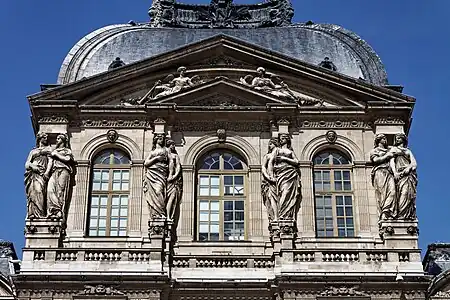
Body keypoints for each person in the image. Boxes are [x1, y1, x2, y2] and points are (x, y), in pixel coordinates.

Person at [273, 133, 302, 220]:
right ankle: (281, 214)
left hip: (290, 172)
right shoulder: (277, 150)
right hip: (281, 173)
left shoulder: (290, 152)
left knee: (288, 192)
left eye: (283, 138)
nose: (281, 140)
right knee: (283, 192)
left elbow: (296, 162)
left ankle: (286, 214)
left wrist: (285, 159)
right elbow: (271, 161)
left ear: (287, 140)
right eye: (280, 139)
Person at [369, 134, 398, 222]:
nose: (385, 140)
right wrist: (387, 156)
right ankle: (384, 214)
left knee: (392, 192)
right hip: (380, 172)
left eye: (385, 138)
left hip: (389, 173)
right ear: (378, 140)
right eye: (383, 138)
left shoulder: (389, 150)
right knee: (382, 193)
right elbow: (375, 160)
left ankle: (388, 212)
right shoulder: (375, 151)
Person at [24, 132, 53, 219]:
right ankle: (33, 214)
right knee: (33, 193)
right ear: (40, 139)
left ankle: (40, 213)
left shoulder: (49, 149)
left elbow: (50, 161)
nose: (46, 139)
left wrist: (47, 172)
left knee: (40, 191)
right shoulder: (33, 151)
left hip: (42, 174)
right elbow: (27, 163)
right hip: (33, 173)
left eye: (46, 138)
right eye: (44, 137)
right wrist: (33, 167)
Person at [389, 133, 418, 220]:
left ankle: (405, 215)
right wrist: (395, 173)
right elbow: (392, 162)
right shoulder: (393, 149)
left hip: (408, 175)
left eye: (399, 138)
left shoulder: (408, 151)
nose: (397, 140)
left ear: (403, 139)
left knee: (407, 195)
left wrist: (408, 169)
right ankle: (401, 215)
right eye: (396, 138)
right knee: (402, 194)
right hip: (399, 175)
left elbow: (414, 163)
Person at [46, 134, 74, 221]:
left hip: (63, 170)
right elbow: (50, 162)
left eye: (58, 139)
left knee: (60, 191)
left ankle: (59, 212)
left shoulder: (66, 150)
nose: (57, 140)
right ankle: (52, 210)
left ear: (63, 140)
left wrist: (56, 154)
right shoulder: (54, 151)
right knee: (50, 190)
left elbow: (67, 159)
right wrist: (47, 172)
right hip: (54, 172)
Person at [143, 133, 170, 218]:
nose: (161, 140)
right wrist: (156, 158)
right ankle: (156, 213)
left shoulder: (166, 150)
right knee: (155, 192)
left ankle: (161, 212)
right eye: (160, 138)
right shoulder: (152, 152)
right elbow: (146, 163)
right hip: (152, 173)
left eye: (162, 139)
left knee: (159, 191)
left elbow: (172, 161)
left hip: (162, 173)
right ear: (156, 140)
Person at [261, 137, 278, 222]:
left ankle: (279, 217)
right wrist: (268, 177)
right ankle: (275, 217)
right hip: (271, 181)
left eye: (270, 144)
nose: (269, 146)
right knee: (272, 198)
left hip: (280, 179)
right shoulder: (268, 156)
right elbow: (263, 167)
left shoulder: (280, 154)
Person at [166, 139, 183, 225]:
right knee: (163, 200)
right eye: (172, 145)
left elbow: (178, 167)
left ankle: (168, 217)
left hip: (172, 180)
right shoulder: (163, 154)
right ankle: (165, 217)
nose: (174, 146)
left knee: (172, 199)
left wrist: (174, 176)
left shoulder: (175, 156)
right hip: (163, 180)